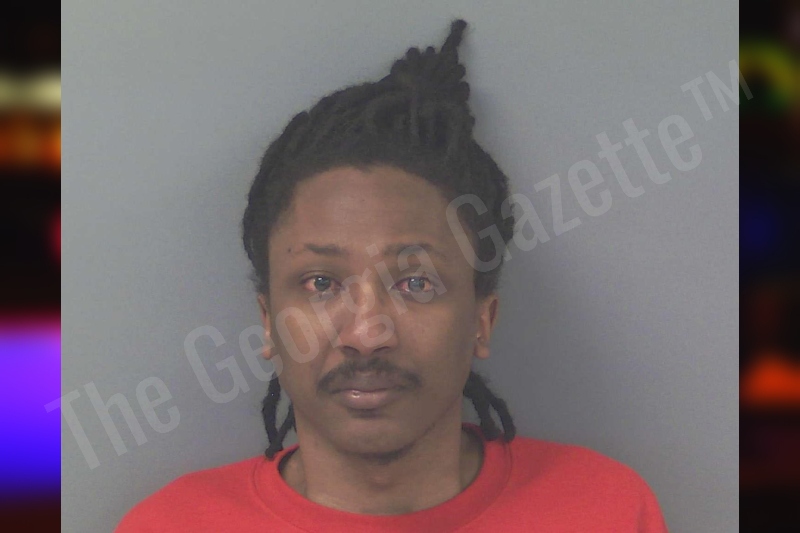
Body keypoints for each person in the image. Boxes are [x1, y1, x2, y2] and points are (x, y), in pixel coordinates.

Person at [116, 19, 669, 532]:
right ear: (268, 321)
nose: (365, 334)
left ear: (482, 320)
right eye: (321, 283)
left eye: (416, 283)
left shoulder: (607, 511)